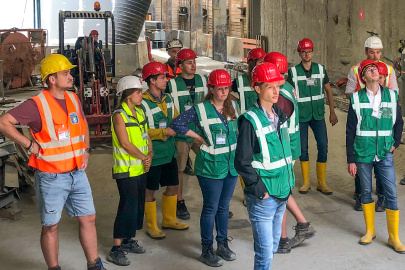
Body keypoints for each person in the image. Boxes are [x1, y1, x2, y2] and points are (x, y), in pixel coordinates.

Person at [0, 54, 106, 270]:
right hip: (51, 176)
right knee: (51, 226)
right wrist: (29, 145)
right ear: (51, 79)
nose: (70, 76)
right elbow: (4, 122)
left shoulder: (73, 98)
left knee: (88, 219)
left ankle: (94, 265)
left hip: (77, 173)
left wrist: (85, 150)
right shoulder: (36, 105)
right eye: (65, 73)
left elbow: (83, 124)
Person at [171, 69, 239, 267]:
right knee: (211, 207)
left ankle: (223, 244)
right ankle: (206, 248)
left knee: (224, 207)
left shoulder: (234, 106)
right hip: (210, 167)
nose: (224, 92)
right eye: (220, 88)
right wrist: (197, 137)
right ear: (211, 89)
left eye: (226, 88)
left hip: (230, 166)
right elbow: (177, 124)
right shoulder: (200, 109)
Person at [235, 62, 295, 269]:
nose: (276, 91)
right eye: (270, 86)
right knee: (264, 254)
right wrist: (259, 189)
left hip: (282, 193)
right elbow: (241, 161)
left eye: (277, 85)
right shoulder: (250, 121)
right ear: (257, 88)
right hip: (264, 197)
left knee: (272, 246)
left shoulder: (280, 116)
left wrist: (288, 186)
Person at [346, 59, 404, 253]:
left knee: (391, 194)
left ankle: (393, 237)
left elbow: (398, 123)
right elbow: (350, 131)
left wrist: (395, 144)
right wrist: (350, 159)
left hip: (384, 153)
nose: (373, 70)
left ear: (380, 76)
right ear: (363, 77)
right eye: (368, 69)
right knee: (365, 191)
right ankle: (370, 231)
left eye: (375, 69)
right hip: (363, 153)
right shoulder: (356, 99)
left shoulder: (391, 96)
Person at [264, 52, 316, 253]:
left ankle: (283, 239)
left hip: (284, 148)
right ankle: (301, 225)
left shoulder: (279, 95)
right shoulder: (287, 87)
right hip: (290, 145)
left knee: (280, 192)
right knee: (283, 191)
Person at [345, 36, 397, 210]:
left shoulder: (389, 70)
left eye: (378, 52)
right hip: (363, 141)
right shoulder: (355, 70)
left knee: (389, 188)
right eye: (372, 52)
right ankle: (361, 196)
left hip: (383, 137)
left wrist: (394, 142)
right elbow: (350, 128)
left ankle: (381, 198)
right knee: (364, 184)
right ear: (366, 51)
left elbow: (397, 113)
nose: (375, 56)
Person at [140, 62, 189, 240]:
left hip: (169, 152)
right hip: (153, 155)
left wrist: (178, 126)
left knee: (173, 186)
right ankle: (151, 225)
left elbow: (175, 119)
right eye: (162, 77)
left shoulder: (168, 99)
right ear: (152, 80)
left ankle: (169, 219)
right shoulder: (142, 103)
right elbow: (140, 130)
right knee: (150, 190)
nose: (166, 80)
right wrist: (163, 132)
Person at [107, 76, 151, 266]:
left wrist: (150, 153)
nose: (141, 95)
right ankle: (116, 248)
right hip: (126, 170)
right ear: (126, 95)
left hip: (140, 168)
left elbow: (146, 135)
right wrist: (143, 157)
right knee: (127, 206)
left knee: (137, 206)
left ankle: (127, 240)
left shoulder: (140, 112)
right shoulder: (119, 115)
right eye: (138, 92)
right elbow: (125, 143)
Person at [287, 38, 338, 195]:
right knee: (303, 148)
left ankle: (321, 182)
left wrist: (332, 111)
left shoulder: (320, 69)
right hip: (301, 115)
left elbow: (328, 90)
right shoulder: (293, 72)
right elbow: (289, 94)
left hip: (317, 114)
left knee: (323, 145)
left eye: (309, 52)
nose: (306, 55)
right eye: (304, 52)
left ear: (313, 52)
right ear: (299, 53)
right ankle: (306, 182)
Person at [166, 48, 208, 220]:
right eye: (189, 62)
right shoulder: (172, 84)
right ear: (180, 65)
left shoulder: (203, 80)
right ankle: (179, 201)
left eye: (194, 62)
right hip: (181, 134)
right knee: (179, 170)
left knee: (209, 164)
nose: (193, 65)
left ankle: (211, 201)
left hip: (201, 131)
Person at [232, 47, 266, 206]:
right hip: (247, 125)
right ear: (251, 63)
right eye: (259, 62)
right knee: (245, 159)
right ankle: (247, 191)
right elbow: (225, 92)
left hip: (262, 124)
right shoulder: (239, 82)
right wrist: (235, 102)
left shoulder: (264, 79)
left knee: (260, 158)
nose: (262, 64)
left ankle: (260, 187)